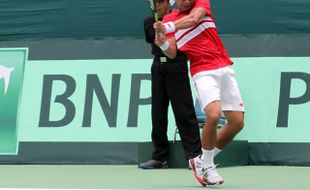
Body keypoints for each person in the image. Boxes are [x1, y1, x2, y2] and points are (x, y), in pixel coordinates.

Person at [154, 0, 245, 186]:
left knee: (236, 123)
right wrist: (162, 43)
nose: (187, 1)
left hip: (225, 67)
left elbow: (194, 19)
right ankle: (208, 166)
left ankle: (200, 160)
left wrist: (167, 26)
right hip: (202, 70)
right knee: (213, 115)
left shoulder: (201, 3)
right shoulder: (170, 18)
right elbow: (172, 53)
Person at [139, 0, 202, 169]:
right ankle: (159, 157)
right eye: (155, 2)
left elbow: (175, 43)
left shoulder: (178, 20)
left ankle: (195, 157)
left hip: (177, 66)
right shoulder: (149, 21)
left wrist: (168, 26)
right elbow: (158, 41)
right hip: (158, 66)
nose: (157, 5)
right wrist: (159, 29)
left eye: (161, 2)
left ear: (169, 3)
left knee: (184, 112)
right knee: (158, 113)